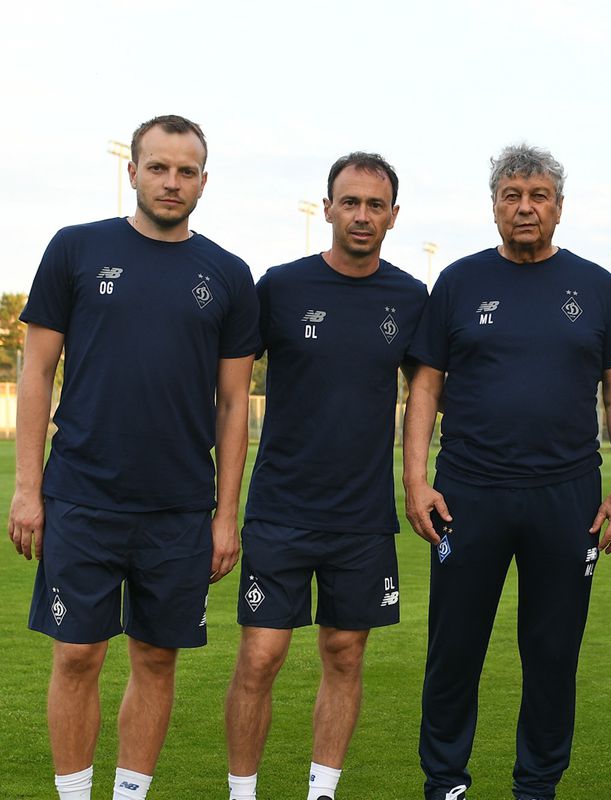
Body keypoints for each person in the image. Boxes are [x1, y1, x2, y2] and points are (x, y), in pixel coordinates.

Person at [8, 115, 259, 800]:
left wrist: (225, 516)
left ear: (204, 181)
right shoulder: (76, 250)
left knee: (155, 657)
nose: (171, 182)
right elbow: (36, 372)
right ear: (133, 171)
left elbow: (235, 404)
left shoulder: (229, 275)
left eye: (186, 171)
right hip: (82, 494)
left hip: (179, 505)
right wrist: (28, 489)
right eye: (158, 167)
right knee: (78, 654)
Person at [402, 143, 611, 800]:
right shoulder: (459, 281)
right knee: (454, 651)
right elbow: (425, 387)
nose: (526, 207)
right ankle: (445, 783)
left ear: (559, 207)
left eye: (538, 195)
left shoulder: (594, 286)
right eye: (513, 195)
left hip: (566, 495)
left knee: (553, 652)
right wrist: (416, 479)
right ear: (495, 205)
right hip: (468, 495)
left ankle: (537, 786)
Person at [223, 153, 427, 800]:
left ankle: (322, 791)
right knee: (260, 658)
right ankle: (242, 792)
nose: (362, 215)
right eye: (351, 202)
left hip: (363, 518)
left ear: (393, 215)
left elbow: (429, 394)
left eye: (375, 205)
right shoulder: (279, 287)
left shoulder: (409, 297)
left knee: (344, 654)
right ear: (328, 207)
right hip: (281, 508)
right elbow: (225, 377)